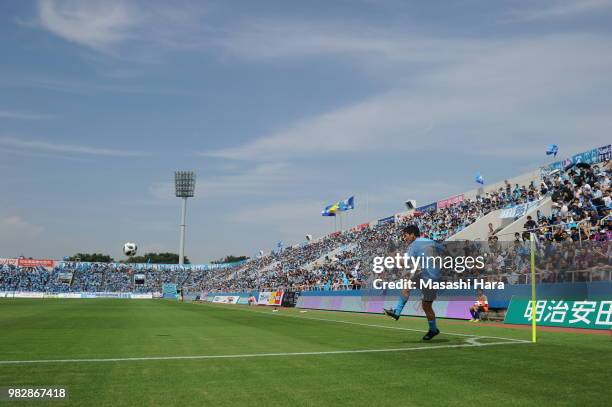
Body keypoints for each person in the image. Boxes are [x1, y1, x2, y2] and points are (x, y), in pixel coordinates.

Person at [383, 224, 442, 341]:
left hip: (429, 278)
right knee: (425, 305)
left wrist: (394, 258)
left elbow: (405, 263)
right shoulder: (429, 241)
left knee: (423, 303)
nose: (404, 238)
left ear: (412, 235)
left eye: (405, 235)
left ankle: (397, 312)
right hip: (431, 276)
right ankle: (433, 329)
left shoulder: (414, 245)